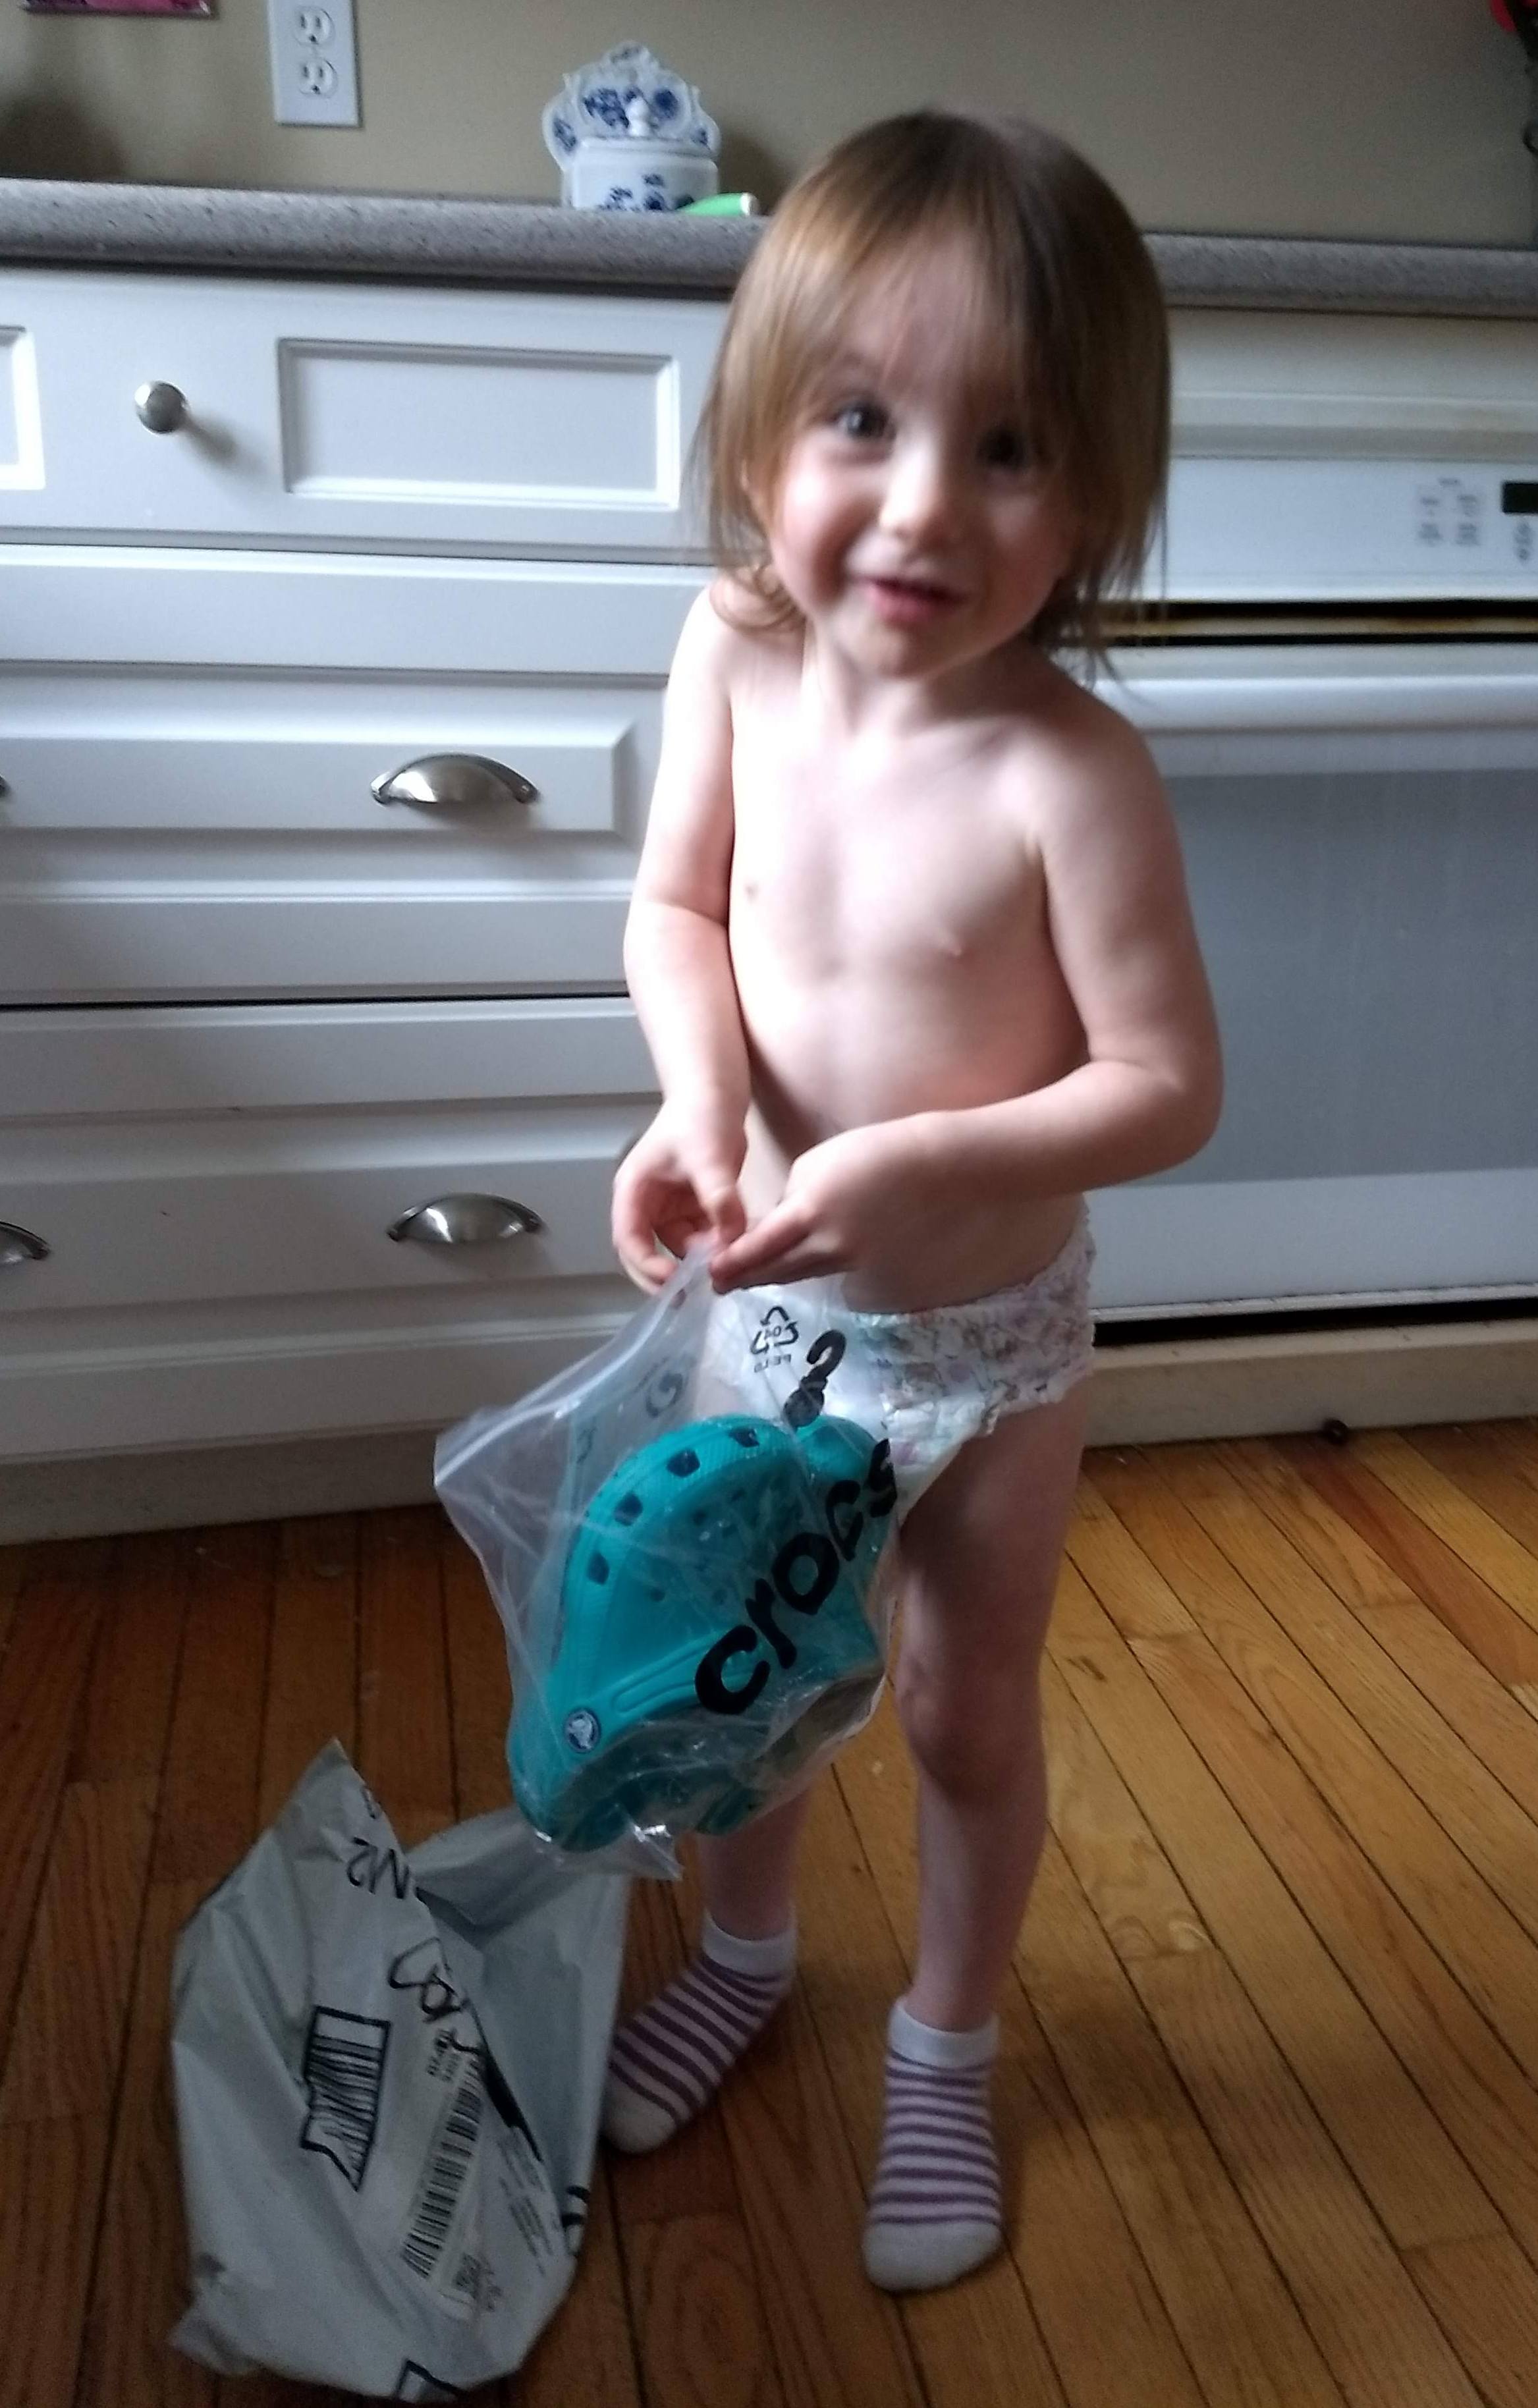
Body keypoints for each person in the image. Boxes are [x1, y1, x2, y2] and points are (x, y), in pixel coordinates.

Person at [603, 108, 1222, 2292]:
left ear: (1098, 499)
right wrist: (698, 1099)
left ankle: (946, 2045)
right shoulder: (732, 651)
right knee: (753, 1685)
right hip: (771, 1315)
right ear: (762, 426)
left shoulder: (1074, 773)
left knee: (962, 1707)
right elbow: (678, 907)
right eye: (863, 418)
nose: (927, 502)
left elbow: (1168, 1087)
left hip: (987, 1349)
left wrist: (921, 1160)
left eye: (1012, 446)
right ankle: (747, 1958)